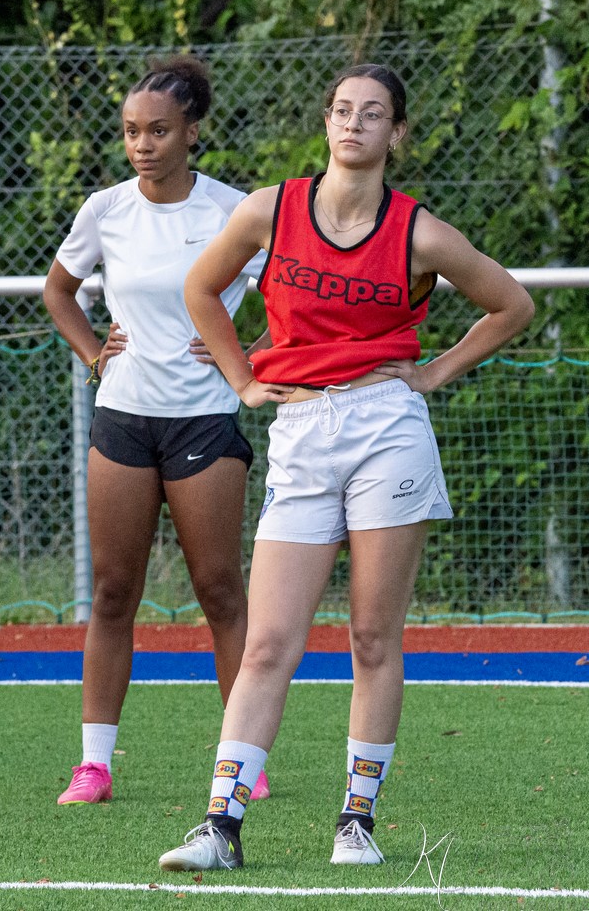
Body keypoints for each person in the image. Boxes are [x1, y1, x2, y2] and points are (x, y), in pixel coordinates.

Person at [157, 62, 535, 870]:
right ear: (325, 122)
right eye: (340, 110)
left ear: (397, 132)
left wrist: (431, 374)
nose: (352, 124)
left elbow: (512, 306)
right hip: (298, 427)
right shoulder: (270, 210)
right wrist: (244, 381)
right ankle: (219, 826)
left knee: (371, 635)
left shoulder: (418, 232)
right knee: (267, 643)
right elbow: (200, 289)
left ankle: (354, 820)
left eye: (371, 114)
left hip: (385, 427)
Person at [43, 54, 271, 806]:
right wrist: (91, 354)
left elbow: (296, 293)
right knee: (112, 593)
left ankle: (243, 757)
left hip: (206, 418)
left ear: (192, 132)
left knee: (219, 592)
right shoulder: (105, 209)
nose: (142, 144)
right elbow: (60, 289)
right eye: (132, 131)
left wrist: (257, 353)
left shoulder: (235, 212)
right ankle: (94, 766)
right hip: (123, 419)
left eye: (159, 130)